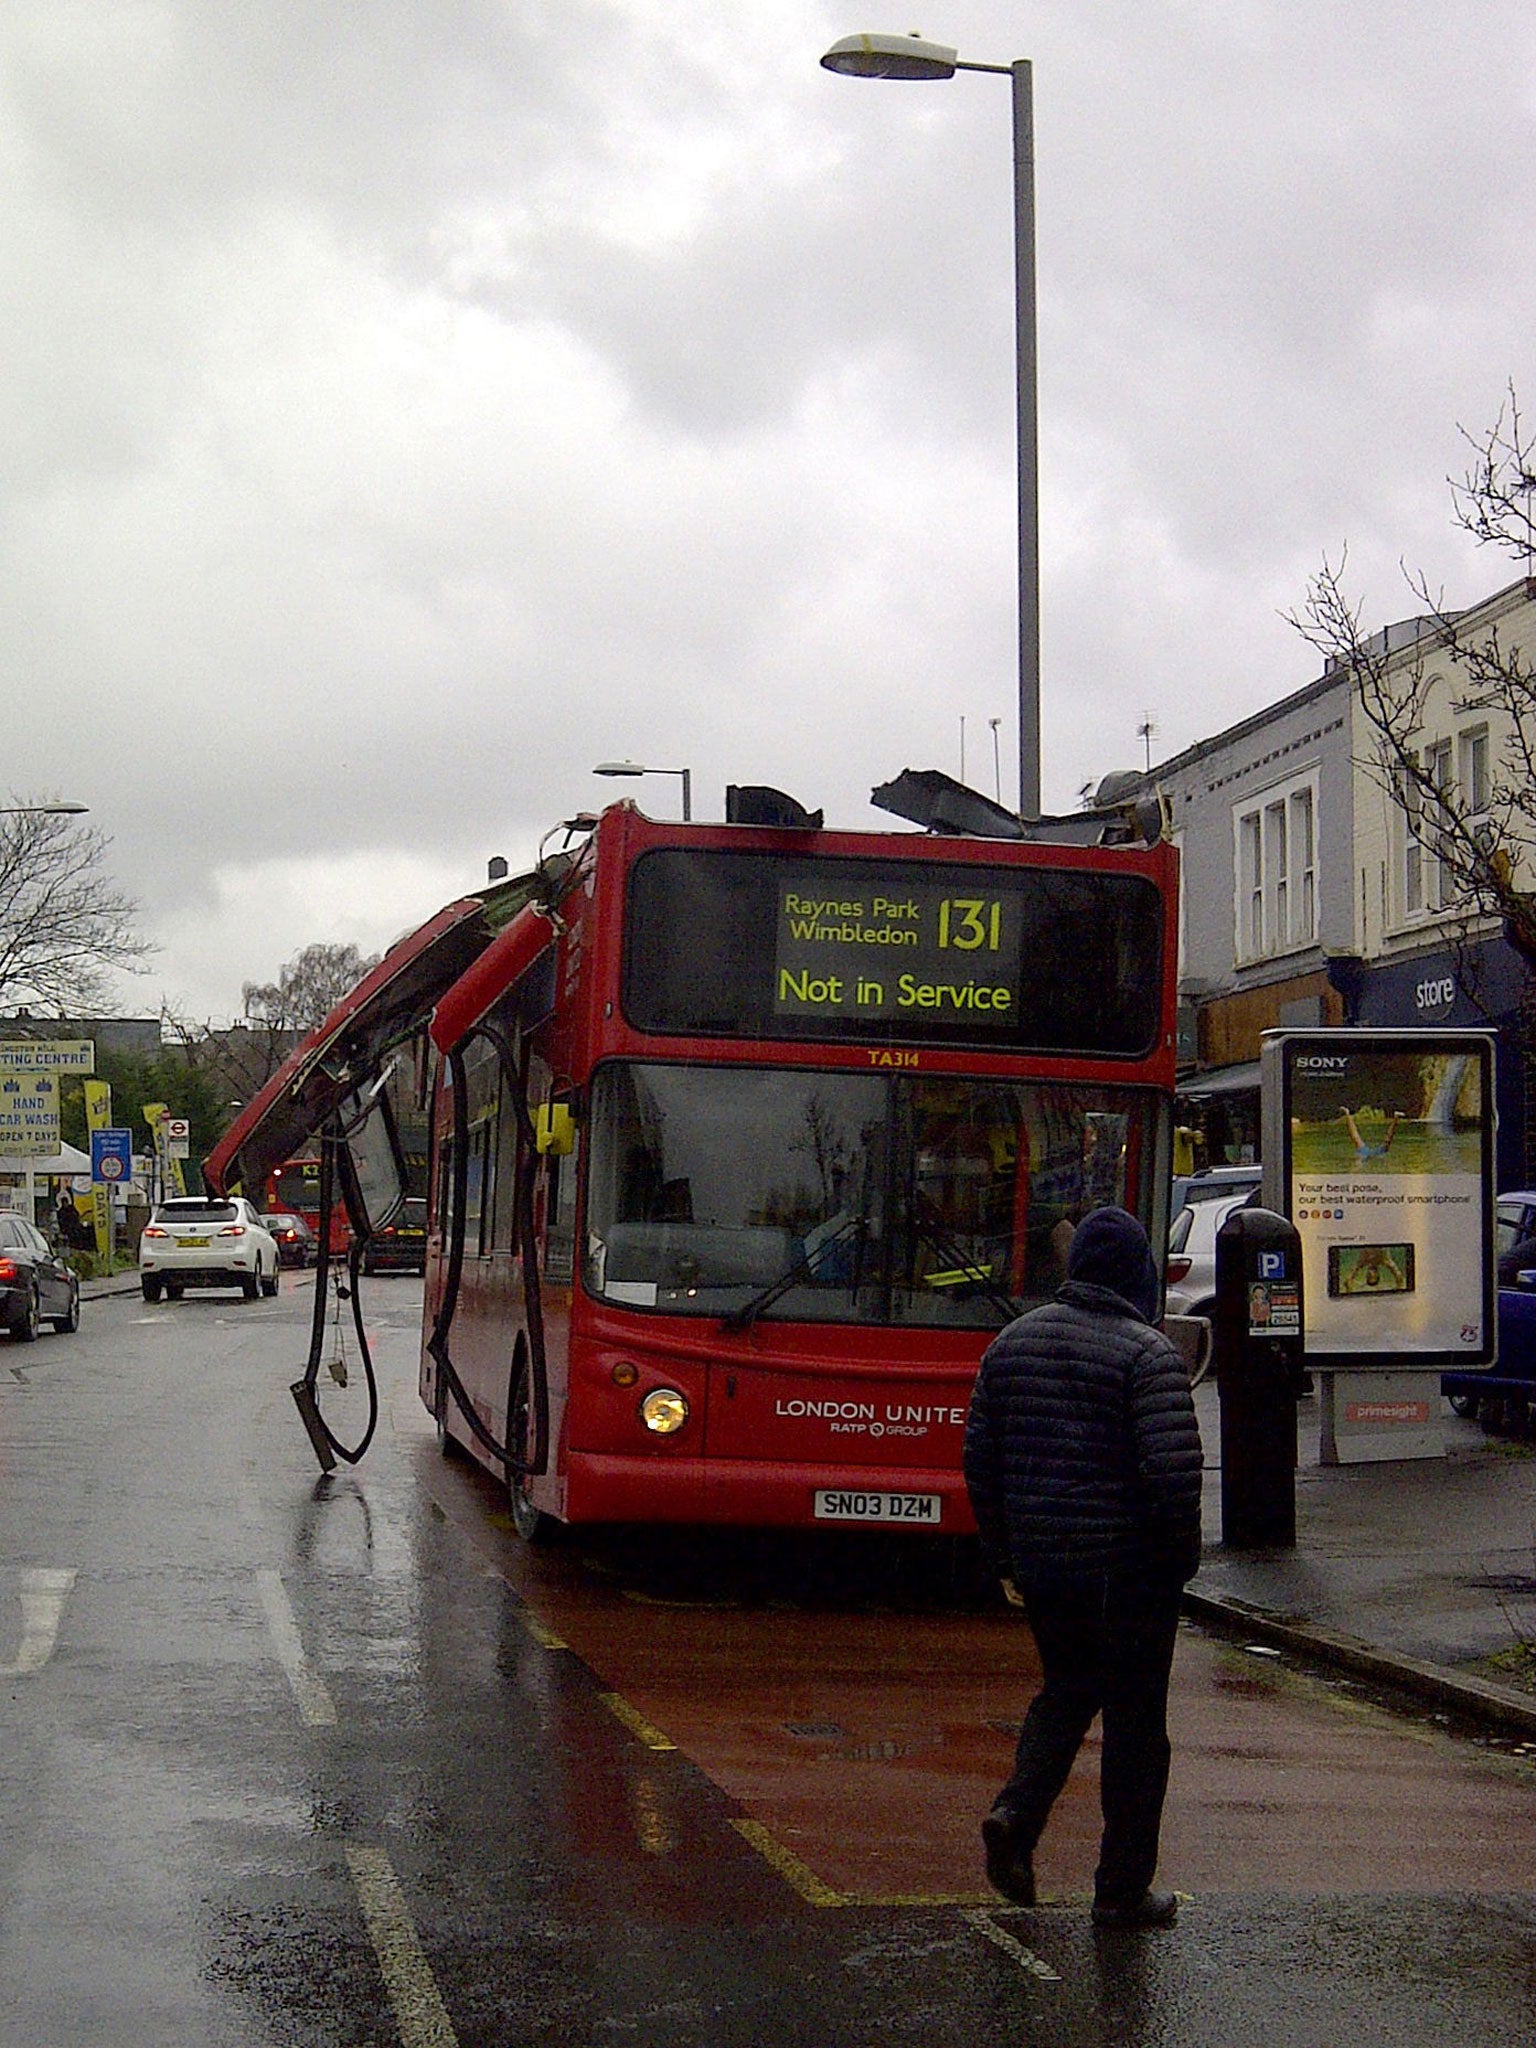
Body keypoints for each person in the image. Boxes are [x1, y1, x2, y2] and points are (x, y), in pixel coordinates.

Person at [963, 1206, 1203, 1931]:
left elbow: (981, 1461)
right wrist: (1177, 1564)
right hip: (1126, 1572)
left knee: (1064, 1694)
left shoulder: (1011, 1344)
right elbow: (1173, 1477)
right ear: (1136, 1272)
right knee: (1136, 1727)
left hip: (1044, 1568)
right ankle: (1121, 1889)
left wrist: (1007, 1556)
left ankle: (1015, 1814)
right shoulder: (1147, 1352)